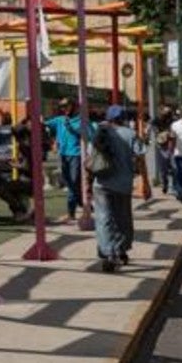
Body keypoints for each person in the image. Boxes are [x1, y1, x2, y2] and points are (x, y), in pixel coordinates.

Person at [90, 105, 137, 273]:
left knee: (103, 219)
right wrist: (145, 182)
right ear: (123, 118)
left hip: (101, 183)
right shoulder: (130, 134)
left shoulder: (100, 133)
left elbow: (91, 158)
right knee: (122, 219)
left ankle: (107, 252)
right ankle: (120, 249)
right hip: (123, 184)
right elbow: (140, 158)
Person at [45, 97, 90, 223]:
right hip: (63, 154)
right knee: (69, 182)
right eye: (63, 107)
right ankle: (80, 205)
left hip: (76, 154)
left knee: (74, 181)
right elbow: (45, 124)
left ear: (73, 106)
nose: (64, 109)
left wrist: (71, 128)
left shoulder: (80, 120)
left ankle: (74, 210)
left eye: (67, 106)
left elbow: (84, 134)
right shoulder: (60, 120)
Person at [153, 107, 176, 195]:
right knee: (163, 169)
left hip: (171, 146)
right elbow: (152, 127)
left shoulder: (173, 121)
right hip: (161, 146)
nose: (167, 116)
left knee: (174, 168)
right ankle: (165, 184)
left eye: (168, 114)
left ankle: (173, 186)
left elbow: (174, 132)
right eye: (165, 114)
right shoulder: (156, 120)